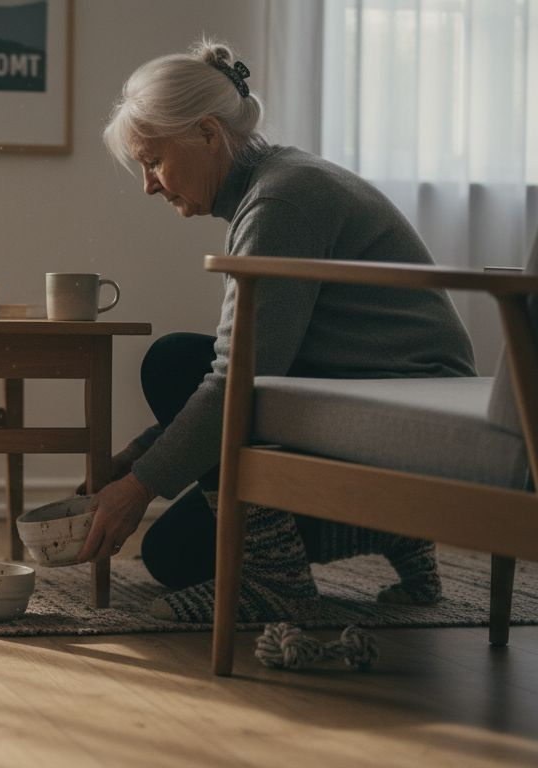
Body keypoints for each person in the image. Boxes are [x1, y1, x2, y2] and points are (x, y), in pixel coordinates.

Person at [82, 38, 476, 623]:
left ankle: (275, 585)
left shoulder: (280, 204)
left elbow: (237, 377)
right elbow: (268, 363)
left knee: (171, 361)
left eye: (153, 160)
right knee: (172, 555)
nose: (149, 185)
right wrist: (141, 455)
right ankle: (397, 533)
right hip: (362, 398)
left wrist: (140, 484)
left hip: (396, 420)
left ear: (208, 134)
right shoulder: (275, 186)